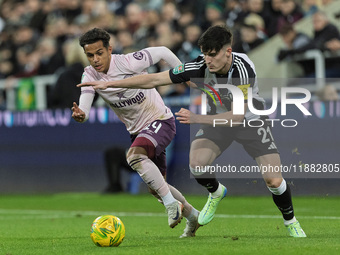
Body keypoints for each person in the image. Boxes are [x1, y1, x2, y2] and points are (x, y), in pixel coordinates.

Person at [78, 25, 307, 238]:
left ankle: (291, 221)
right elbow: (154, 78)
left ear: (228, 51)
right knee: (197, 164)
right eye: (205, 54)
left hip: (250, 122)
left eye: (213, 54)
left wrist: (197, 118)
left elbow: (237, 116)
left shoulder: (243, 70)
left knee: (274, 180)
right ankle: (216, 192)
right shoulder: (198, 66)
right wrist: (110, 84)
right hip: (216, 122)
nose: (208, 60)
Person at [71, 28, 200, 238]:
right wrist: (81, 115)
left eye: (99, 53)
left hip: (160, 121)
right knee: (157, 187)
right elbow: (84, 108)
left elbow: (163, 51)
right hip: (139, 132)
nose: (95, 59)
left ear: (109, 49)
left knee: (134, 156)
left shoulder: (129, 62)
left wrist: (183, 75)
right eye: (90, 55)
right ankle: (193, 217)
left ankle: (171, 205)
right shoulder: (90, 74)